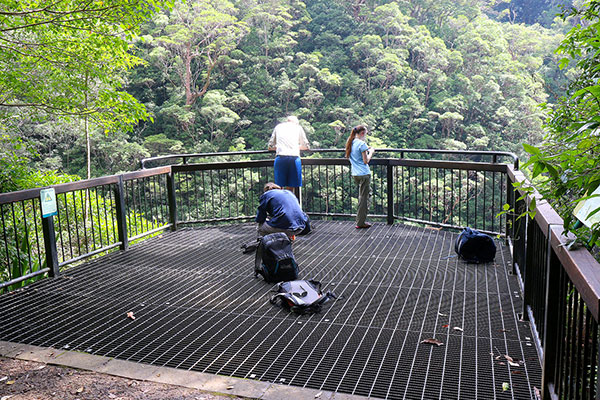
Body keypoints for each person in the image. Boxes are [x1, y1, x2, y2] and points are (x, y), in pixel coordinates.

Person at [268, 116, 310, 198]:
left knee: (278, 186)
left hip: (281, 157)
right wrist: (296, 147)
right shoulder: (298, 128)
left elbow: (270, 146)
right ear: (296, 122)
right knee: (291, 186)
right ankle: (290, 205)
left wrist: (280, 147)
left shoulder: (278, 127)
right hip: (294, 158)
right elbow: (306, 146)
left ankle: (279, 205)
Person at [345, 125, 375, 229]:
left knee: (363, 196)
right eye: (365, 134)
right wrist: (371, 152)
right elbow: (365, 161)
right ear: (362, 133)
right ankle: (360, 222)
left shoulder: (351, 143)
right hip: (364, 174)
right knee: (364, 199)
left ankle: (360, 220)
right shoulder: (362, 144)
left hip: (355, 174)